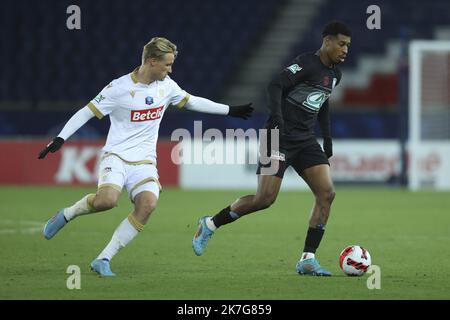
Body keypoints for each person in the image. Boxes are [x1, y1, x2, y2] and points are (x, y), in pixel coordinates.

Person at [39, 37, 253, 277]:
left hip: (145, 161)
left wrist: (230, 110)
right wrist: (60, 138)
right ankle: (68, 213)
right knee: (106, 201)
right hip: (116, 156)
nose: (170, 70)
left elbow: (192, 101)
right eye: (167, 65)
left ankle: (103, 258)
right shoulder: (118, 88)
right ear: (152, 62)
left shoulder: (167, 86)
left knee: (148, 205)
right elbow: (86, 112)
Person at [192, 21, 351, 276]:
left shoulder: (336, 75)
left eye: (348, 46)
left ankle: (308, 259)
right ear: (327, 41)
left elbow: (322, 103)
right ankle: (210, 223)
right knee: (264, 199)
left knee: (327, 194)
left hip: (305, 140)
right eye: (341, 44)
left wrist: (328, 137)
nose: (345, 50)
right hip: (276, 136)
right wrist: (277, 117)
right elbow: (275, 85)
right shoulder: (307, 63)